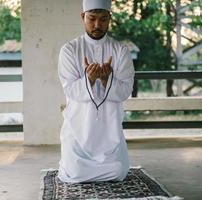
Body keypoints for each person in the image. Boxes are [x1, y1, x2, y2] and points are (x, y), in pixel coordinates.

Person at [57, 0, 135, 183]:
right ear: (83, 17)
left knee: (118, 172)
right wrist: (89, 79)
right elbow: (70, 90)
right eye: (92, 19)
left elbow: (125, 92)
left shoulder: (121, 51)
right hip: (78, 129)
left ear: (110, 18)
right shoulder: (69, 50)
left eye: (103, 19)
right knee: (75, 171)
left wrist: (107, 79)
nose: (97, 25)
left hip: (110, 131)